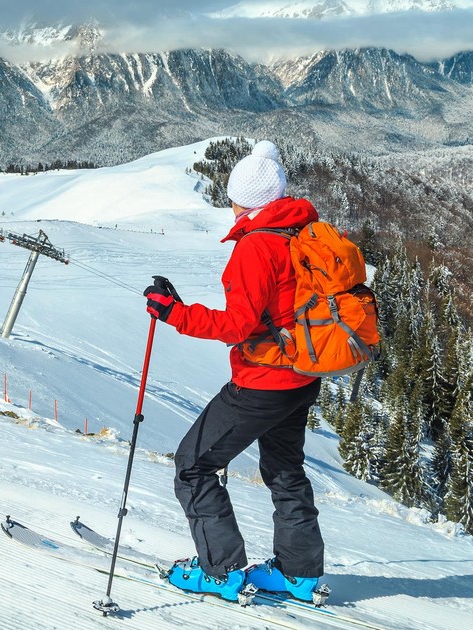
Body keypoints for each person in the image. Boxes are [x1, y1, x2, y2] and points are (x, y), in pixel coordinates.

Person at [144, 140, 325, 603]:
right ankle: (299, 574)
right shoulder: (302, 230)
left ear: (241, 199)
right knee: (285, 469)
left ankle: (221, 572)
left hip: (262, 381)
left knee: (193, 465)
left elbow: (238, 325)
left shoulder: (256, 246)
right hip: (302, 375)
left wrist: (175, 313)